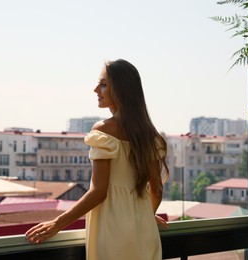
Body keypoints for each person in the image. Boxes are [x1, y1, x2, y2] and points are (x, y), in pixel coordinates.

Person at [25, 59, 169, 260]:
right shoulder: (149, 135)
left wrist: (57, 224)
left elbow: (99, 191)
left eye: (103, 84)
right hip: (144, 229)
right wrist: (145, 214)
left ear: (121, 90)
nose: (95, 89)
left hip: (112, 228)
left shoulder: (103, 131)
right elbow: (157, 190)